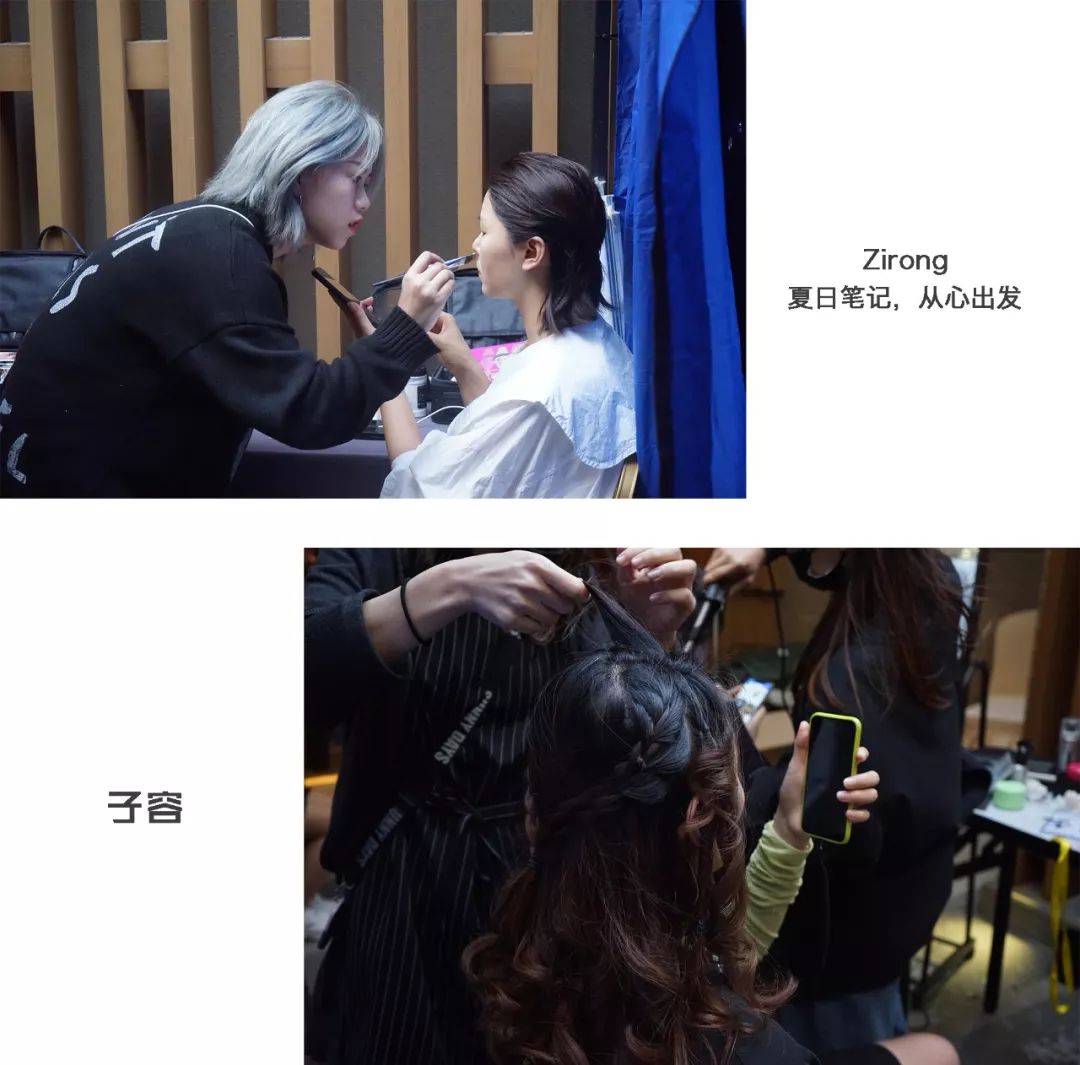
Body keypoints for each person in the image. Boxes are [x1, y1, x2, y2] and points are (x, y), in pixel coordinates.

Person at [464, 585, 958, 1065]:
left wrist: (789, 831)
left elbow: (721, 962)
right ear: (709, 828)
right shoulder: (746, 1046)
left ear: (534, 813)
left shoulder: (515, 952)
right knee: (938, 1051)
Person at [303, 549, 700, 1064]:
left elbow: (634, 765)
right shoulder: (384, 543)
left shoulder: (598, 558)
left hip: (548, 894)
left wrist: (647, 639)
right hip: (399, 887)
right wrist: (448, 588)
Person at [0, 81, 454, 497]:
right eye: (356, 179)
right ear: (299, 167)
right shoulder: (222, 261)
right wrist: (405, 326)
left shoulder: (198, 229)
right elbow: (310, 412)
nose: (365, 201)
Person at [749, 550, 967, 1057]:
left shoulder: (844, 684)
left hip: (839, 957)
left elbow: (826, 847)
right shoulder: (932, 594)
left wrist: (742, 759)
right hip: (904, 910)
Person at [375, 153, 635, 497]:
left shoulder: (538, 392)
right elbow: (507, 446)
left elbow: (418, 492)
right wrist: (464, 365)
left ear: (532, 252)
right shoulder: (598, 343)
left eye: (484, 231)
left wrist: (382, 354)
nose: (475, 244)